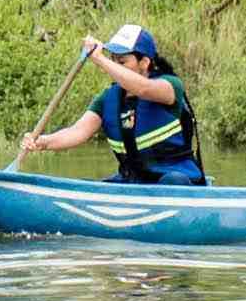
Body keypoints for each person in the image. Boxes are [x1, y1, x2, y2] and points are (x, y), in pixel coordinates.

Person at [20, 23, 207, 185]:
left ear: (144, 62)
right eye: (113, 61)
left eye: (122, 62)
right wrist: (44, 142)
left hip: (175, 182)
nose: (115, 66)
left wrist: (99, 59)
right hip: (132, 182)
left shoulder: (170, 86)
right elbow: (77, 131)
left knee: (173, 182)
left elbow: (143, 89)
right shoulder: (108, 100)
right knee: (90, 186)